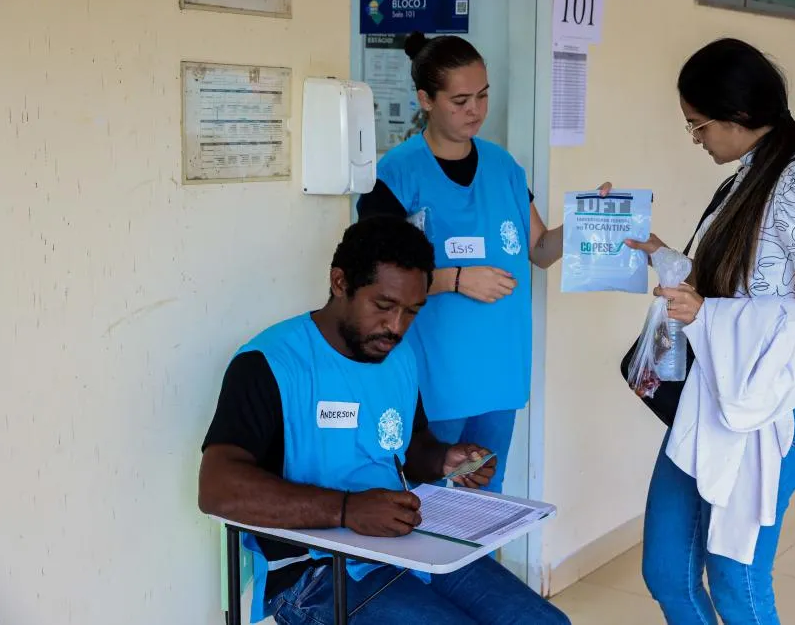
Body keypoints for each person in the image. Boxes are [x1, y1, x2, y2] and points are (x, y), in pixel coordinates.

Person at [198, 216, 570, 625]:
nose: (396, 327)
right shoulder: (270, 364)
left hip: (405, 543)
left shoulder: (398, 357)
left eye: (412, 311)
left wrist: (445, 458)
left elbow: (410, 446)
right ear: (340, 283)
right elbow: (217, 488)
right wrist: (346, 510)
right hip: (314, 572)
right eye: (384, 306)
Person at [628, 39, 795, 624]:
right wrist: (654, 251)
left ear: (740, 116)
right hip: (709, 406)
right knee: (667, 573)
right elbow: (728, 290)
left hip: (763, 415)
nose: (697, 138)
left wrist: (707, 316)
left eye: (698, 125)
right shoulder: (746, 176)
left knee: (736, 582)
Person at [357, 32, 608, 492]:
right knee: (426, 506)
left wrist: (584, 222)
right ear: (425, 100)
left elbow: (539, 251)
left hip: (500, 370)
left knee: (483, 503)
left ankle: (476, 566)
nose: (476, 109)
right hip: (436, 376)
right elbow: (375, 274)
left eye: (483, 95)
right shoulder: (397, 173)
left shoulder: (504, 167)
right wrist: (455, 279)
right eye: (460, 100)